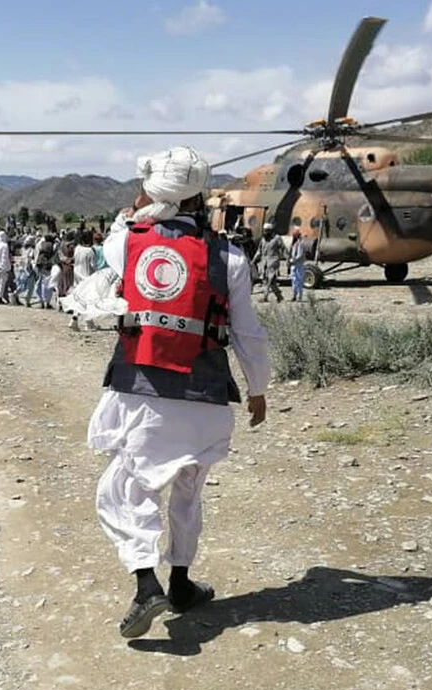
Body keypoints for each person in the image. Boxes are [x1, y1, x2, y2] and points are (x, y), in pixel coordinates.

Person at [88, 147, 270, 639]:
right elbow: (248, 332)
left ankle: (147, 585)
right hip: (205, 393)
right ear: (199, 198)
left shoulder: (126, 243)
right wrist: (257, 388)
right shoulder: (230, 257)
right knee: (188, 492)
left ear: (152, 194)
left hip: (141, 390)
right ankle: (182, 584)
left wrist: (136, 211)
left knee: (127, 490)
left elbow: (113, 246)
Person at [254, 222, 285, 303]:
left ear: (271, 231)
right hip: (264, 262)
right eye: (264, 230)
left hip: (273, 261)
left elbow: (283, 248)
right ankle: (279, 296)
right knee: (270, 281)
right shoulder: (263, 240)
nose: (265, 232)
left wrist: (286, 258)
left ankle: (265, 297)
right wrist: (253, 260)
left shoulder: (277, 238)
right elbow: (259, 251)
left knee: (269, 279)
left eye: (267, 230)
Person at [288, 227, 307, 301]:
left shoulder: (300, 243)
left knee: (299, 280)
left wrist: (293, 260)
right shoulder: (294, 243)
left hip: (299, 264)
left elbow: (300, 255)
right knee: (294, 280)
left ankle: (299, 296)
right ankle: (294, 295)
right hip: (294, 264)